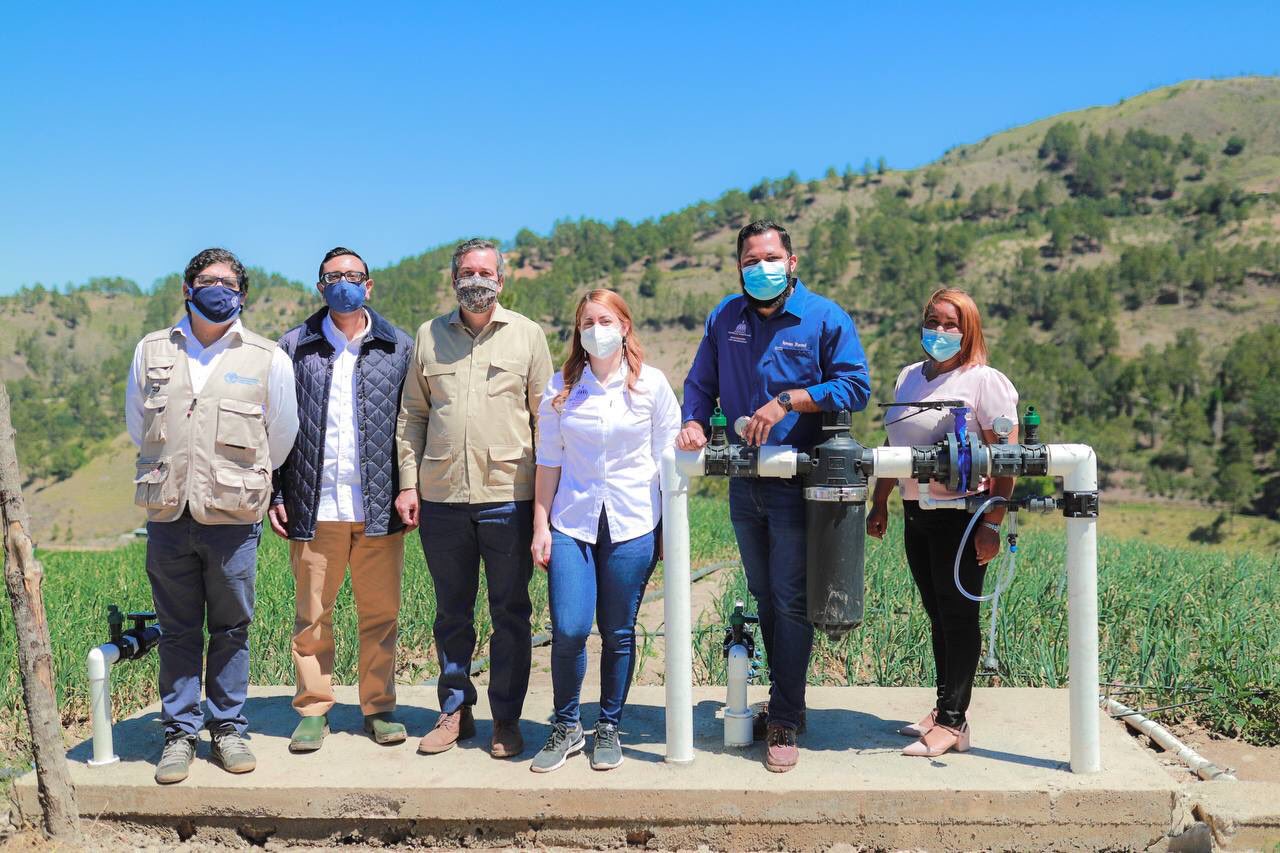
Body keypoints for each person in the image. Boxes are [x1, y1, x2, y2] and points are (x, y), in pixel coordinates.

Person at [678, 219, 871, 772]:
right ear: (738, 267)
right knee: (764, 596)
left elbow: (855, 386)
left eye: (770, 258)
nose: (759, 268)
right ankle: (791, 702)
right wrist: (693, 422)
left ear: (791, 262)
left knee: (789, 600)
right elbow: (700, 383)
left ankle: (784, 718)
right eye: (749, 260)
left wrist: (789, 400)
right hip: (745, 483)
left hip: (798, 485)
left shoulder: (823, 318)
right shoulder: (725, 318)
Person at [126, 247, 299, 784]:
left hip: (232, 516)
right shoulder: (152, 350)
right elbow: (139, 423)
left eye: (227, 283)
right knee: (178, 630)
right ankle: (179, 733)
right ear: (187, 289)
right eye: (207, 280)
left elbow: (281, 435)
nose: (217, 289)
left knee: (230, 627)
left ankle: (227, 727)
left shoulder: (267, 357)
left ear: (242, 295)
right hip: (169, 511)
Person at [395, 238, 553, 759]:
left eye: (486, 271)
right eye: (467, 271)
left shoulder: (527, 336)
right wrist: (408, 483)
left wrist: (545, 510)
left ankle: (506, 719)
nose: (477, 279)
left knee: (511, 613)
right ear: (454, 279)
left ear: (501, 281)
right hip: (441, 498)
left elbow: (545, 421)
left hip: (509, 497)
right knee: (451, 613)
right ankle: (455, 712)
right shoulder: (429, 336)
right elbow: (413, 416)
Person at [528, 290, 680, 773]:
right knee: (570, 629)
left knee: (618, 632)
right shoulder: (561, 389)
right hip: (572, 522)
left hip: (634, 522)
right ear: (578, 332)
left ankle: (608, 724)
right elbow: (548, 462)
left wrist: (669, 533)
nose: (597, 328)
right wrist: (540, 526)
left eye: (606, 319)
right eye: (588, 321)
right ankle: (567, 724)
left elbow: (668, 463)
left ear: (625, 326)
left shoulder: (651, 386)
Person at [271, 247, 415, 753]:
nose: (344, 285)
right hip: (314, 502)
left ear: (369, 286)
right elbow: (274, 426)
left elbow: (412, 422)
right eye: (333, 277)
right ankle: (313, 707)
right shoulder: (292, 347)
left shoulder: (399, 347)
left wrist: (409, 486)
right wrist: (276, 491)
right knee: (312, 616)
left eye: (353, 276)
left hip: (379, 503)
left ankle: (379, 707)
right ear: (319, 287)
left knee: (380, 614)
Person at [867, 287, 1019, 758]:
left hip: (964, 516)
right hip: (918, 513)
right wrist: (882, 502)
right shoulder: (909, 378)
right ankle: (943, 708)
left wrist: (994, 518)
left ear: (967, 330)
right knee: (937, 615)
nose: (938, 331)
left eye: (950, 324)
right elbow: (895, 450)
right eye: (932, 320)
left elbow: (1007, 455)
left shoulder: (984, 382)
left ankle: (955, 723)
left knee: (958, 616)